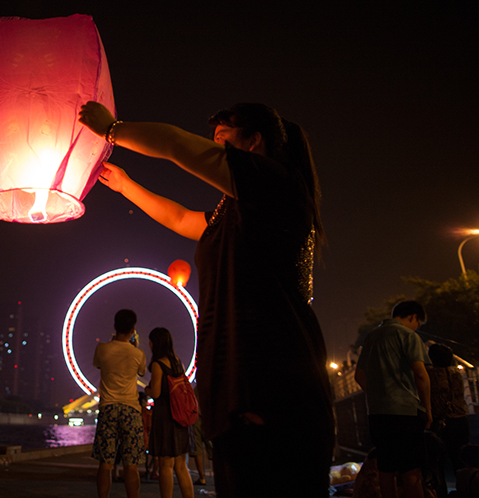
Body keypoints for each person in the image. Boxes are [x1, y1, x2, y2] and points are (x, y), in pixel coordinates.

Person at [79, 101, 335, 497]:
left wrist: (113, 130)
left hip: (272, 387)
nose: (213, 149)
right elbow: (181, 219)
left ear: (254, 141)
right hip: (239, 390)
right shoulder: (234, 210)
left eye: (222, 140)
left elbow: (176, 145)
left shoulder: (276, 185)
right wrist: (127, 185)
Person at [355, 300, 433, 498]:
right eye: (418, 323)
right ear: (413, 316)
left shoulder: (372, 337)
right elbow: (421, 374)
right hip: (405, 412)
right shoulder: (408, 335)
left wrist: (377, 394)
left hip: (378, 414)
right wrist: (428, 408)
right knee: (411, 470)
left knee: (386, 469)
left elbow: (359, 375)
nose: (417, 327)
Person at [92, 309, 147, 498]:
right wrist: (134, 347)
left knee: (105, 464)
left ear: (114, 326)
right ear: (133, 329)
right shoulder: (138, 354)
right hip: (131, 410)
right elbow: (141, 372)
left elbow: (98, 365)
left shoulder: (102, 349)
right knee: (131, 466)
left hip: (108, 407)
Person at [144, 327, 194, 498]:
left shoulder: (158, 365)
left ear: (155, 343)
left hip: (165, 418)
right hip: (181, 417)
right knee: (181, 466)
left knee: (166, 465)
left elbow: (156, 393)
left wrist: (147, 390)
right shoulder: (178, 362)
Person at [427, 344, 470, 476]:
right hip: (460, 421)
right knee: (460, 461)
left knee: (437, 464)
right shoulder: (457, 374)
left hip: (440, 422)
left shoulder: (429, 374)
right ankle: (464, 486)